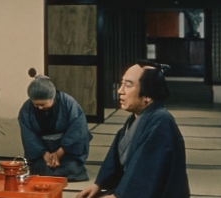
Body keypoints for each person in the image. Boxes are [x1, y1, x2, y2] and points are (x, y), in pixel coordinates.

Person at [76, 60, 190, 198]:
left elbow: (146, 175)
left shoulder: (161, 122)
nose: (120, 91)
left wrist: (117, 196)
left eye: (128, 85)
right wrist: (99, 185)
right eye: (121, 84)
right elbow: (115, 161)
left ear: (148, 94)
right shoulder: (136, 118)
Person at [18, 75, 92, 181]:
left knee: (72, 168)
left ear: (52, 97)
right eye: (36, 105)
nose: (39, 107)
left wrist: (59, 153)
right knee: (40, 169)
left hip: (66, 149)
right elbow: (28, 136)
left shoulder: (68, 102)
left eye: (43, 104)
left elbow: (78, 129)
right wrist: (45, 154)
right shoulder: (26, 108)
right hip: (41, 149)